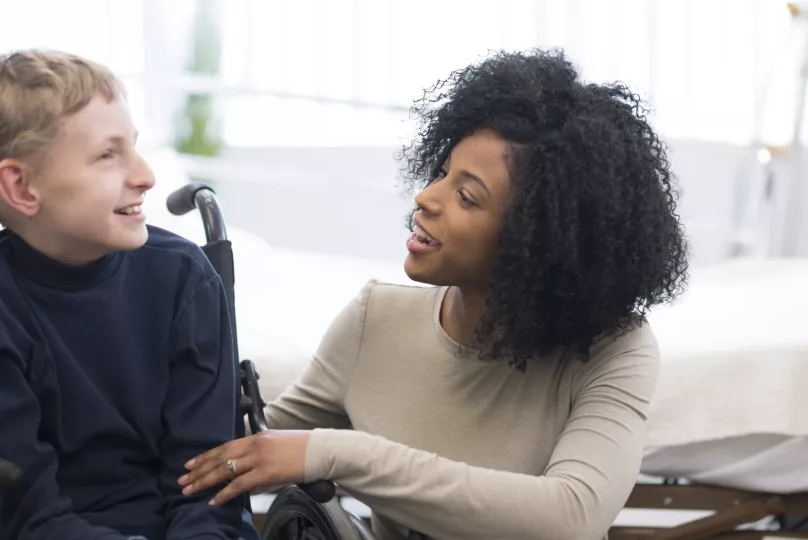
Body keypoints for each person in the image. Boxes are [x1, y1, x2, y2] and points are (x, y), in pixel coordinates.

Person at [177, 48, 690, 539]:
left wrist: (338, 453)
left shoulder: (615, 349)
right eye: (442, 173)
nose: (425, 198)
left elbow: (568, 517)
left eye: (467, 195)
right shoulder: (372, 320)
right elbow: (252, 445)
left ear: (540, 239)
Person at [0, 49, 259, 540]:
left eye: (134, 146)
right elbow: (31, 513)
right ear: (21, 187)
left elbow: (206, 481)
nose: (145, 175)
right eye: (109, 155)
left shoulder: (184, 279)